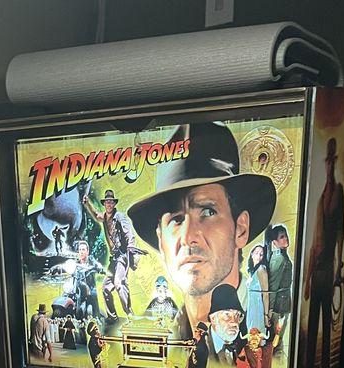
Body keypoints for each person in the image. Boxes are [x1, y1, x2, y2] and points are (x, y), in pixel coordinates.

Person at [127, 122, 276, 342]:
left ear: (241, 228)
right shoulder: (172, 336)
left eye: (207, 211)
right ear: (161, 242)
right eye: (176, 219)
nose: (188, 237)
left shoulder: (264, 334)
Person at [305, 137, 344, 368]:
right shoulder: (321, 196)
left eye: (332, 161)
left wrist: (339, 266)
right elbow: (313, 243)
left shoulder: (337, 192)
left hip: (328, 269)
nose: (329, 166)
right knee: (312, 333)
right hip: (318, 268)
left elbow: (340, 231)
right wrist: (307, 280)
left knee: (327, 331)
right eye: (327, 161)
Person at [82, 187, 138, 323]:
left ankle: (130, 314)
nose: (109, 204)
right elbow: (96, 215)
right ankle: (112, 317)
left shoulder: (119, 217)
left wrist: (131, 248)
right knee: (106, 288)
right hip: (114, 259)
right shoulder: (104, 217)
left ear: (114, 204)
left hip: (122, 256)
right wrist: (87, 203)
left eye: (111, 202)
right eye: (107, 202)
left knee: (119, 283)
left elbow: (129, 234)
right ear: (104, 204)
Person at [266, 224, 293, 354]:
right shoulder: (279, 259)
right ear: (275, 242)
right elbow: (272, 286)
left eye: (285, 235)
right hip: (279, 306)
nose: (286, 239)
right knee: (276, 339)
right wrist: (270, 309)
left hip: (283, 302)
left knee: (279, 338)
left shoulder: (283, 256)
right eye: (282, 237)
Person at [207, 282, 245, 368]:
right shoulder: (198, 347)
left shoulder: (243, 345)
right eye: (227, 314)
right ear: (213, 318)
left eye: (237, 315)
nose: (234, 322)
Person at [72, 239, 105, 318]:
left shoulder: (91, 260)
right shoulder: (76, 262)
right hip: (77, 286)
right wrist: (56, 269)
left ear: (87, 252)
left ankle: (97, 316)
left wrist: (100, 268)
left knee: (94, 294)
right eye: (80, 250)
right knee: (67, 293)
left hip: (90, 287)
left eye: (83, 250)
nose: (81, 252)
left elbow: (97, 264)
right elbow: (67, 266)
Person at [245, 244, 270, 336]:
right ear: (251, 254)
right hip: (251, 307)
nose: (258, 256)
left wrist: (266, 316)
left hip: (258, 307)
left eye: (261, 254)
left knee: (257, 335)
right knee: (251, 336)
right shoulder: (251, 270)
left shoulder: (261, 269)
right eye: (256, 253)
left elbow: (266, 295)